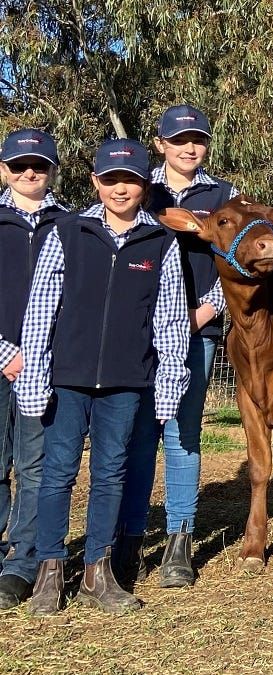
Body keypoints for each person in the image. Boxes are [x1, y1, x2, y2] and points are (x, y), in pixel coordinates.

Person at [16, 139, 189, 615]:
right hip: (67, 378)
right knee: (57, 473)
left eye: (130, 180)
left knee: (110, 473)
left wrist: (168, 382)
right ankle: (50, 571)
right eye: (110, 179)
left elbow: (170, 319)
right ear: (95, 182)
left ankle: (98, 571)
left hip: (127, 381)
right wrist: (35, 376)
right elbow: (41, 308)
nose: (120, 188)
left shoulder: (160, 242)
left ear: (145, 185)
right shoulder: (69, 232)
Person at [115, 105, 241, 588]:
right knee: (137, 430)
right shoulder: (137, 188)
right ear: (161, 143)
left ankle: (179, 540)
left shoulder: (223, 195)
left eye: (198, 140)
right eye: (179, 140)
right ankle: (128, 536)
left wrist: (205, 312)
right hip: (137, 329)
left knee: (185, 432)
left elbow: (235, 261)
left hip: (196, 328)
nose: (190, 148)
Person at [0, 129, 69, 609]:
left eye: (40, 166)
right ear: (4, 170)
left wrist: (37, 354)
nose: (30, 174)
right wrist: (7, 353)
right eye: (21, 166)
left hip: (44, 365)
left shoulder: (71, 225)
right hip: (3, 357)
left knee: (34, 464)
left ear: (52, 172)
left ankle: (21, 563)